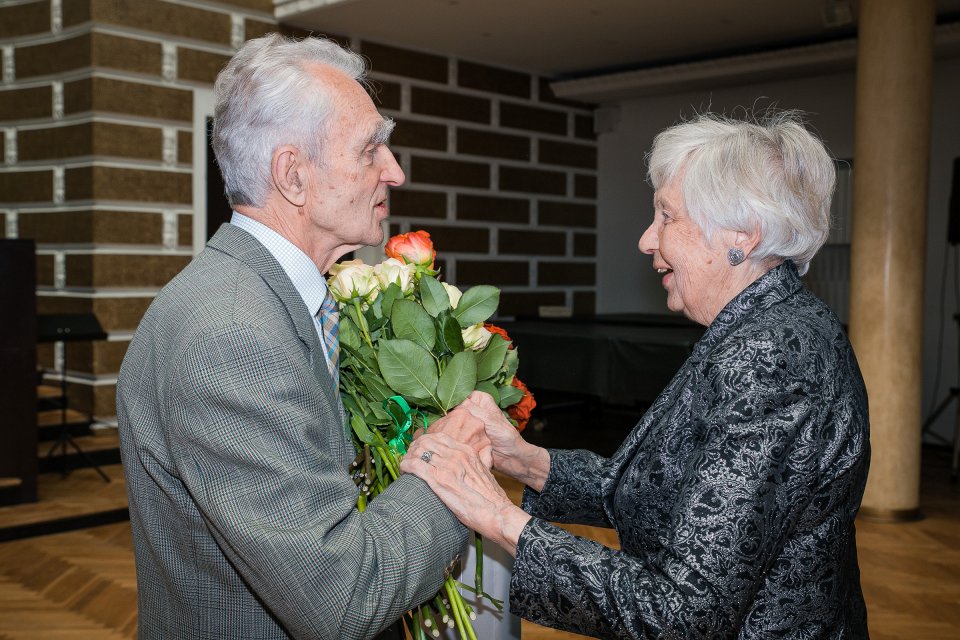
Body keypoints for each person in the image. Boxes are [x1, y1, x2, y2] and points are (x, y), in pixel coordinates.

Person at [402, 111, 871, 638]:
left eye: (667, 217)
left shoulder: (771, 356)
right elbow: (653, 493)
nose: (647, 239)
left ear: (743, 234)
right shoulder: (761, 325)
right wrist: (523, 460)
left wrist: (497, 516)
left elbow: (681, 615)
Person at [116, 34, 489, 640]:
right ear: (293, 175)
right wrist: (444, 460)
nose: (394, 171)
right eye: (372, 149)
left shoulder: (270, 298)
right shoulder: (232, 333)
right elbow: (340, 599)